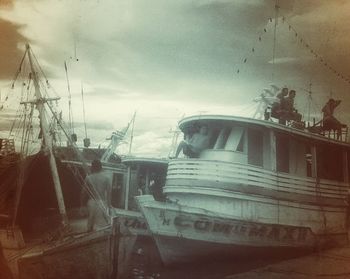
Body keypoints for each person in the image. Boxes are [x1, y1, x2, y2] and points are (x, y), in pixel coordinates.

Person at [82, 159, 112, 232]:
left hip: (91, 202)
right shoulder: (106, 178)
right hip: (102, 202)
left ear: (92, 167)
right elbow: (108, 194)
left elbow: (83, 193)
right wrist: (109, 206)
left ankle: (89, 233)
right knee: (103, 223)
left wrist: (82, 205)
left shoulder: (88, 178)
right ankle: (102, 236)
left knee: (91, 220)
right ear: (101, 167)